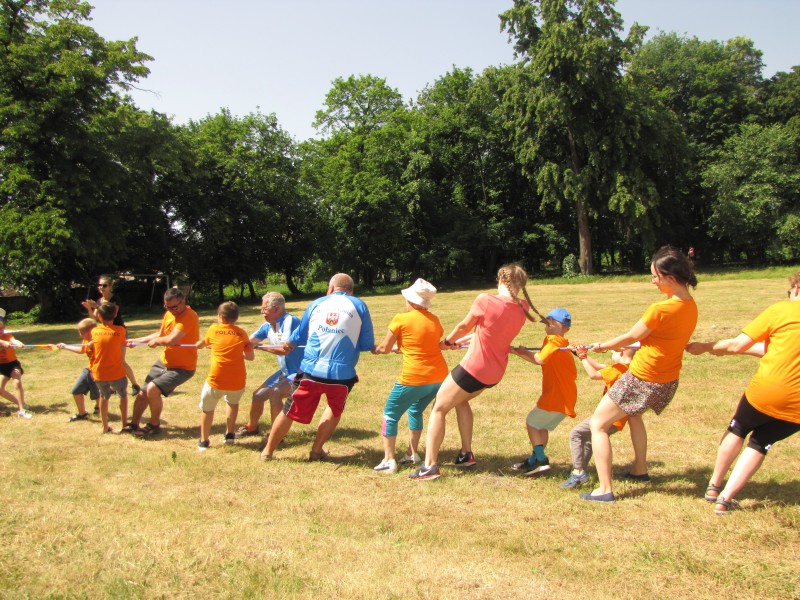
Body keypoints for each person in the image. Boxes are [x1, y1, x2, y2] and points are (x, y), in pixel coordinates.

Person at [583, 245, 698, 502]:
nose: (653, 281)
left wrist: (602, 346)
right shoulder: (691, 306)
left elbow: (631, 337)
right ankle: (640, 469)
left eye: (655, 277)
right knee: (634, 415)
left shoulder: (661, 309)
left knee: (597, 425)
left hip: (643, 379)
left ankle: (604, 489)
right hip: (667, 380)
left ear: (670, 278)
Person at [409, 263, 543, 481]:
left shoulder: (485, 300)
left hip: (474, 369)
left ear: (500, 279)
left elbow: (464, 326)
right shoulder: (523, 307)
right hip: (494, 373)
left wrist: (447, 342)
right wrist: (463, 340)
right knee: (460, 400)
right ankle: (466, 454)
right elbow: (489, 332)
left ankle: (429, 466)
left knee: (439, 408)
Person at [685, 271, 800, 515]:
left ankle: (714, 486)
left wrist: (705, 347)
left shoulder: (781, 310)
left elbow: (738, 344)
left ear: (797, 289)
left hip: (767, 390)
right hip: (796, 408)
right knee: (761, 442)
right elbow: (774, 349)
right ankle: (725, 500)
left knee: (738, 428)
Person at [260, 273, 375, 461]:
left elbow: (300, 333)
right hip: (342, 375)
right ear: (351, 291)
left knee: (289, 410)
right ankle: (316, 451)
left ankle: (267, 452)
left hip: (310, 371)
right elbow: (366, 343)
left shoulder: (316, 303)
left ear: (330, 289)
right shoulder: (360, 305)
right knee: (334, 409)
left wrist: (289, 343)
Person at [372, 279, 449, 474]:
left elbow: (385, 347)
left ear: (412, 301)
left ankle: (389, 459)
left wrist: (376, 349)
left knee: (390, 414)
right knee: (415, 410)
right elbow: (426, 342)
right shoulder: (434, 320)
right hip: (438, 377)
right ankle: (412, 453)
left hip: (413, 377)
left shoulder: (401, 319)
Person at [561, 345, 646, 489]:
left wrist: (582, 357)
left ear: (621, 352)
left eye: (613, 351)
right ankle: (580, 468)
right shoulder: (628, 368)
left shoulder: (616, 369)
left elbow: (594, 374)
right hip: (617, 419)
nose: (611, 353)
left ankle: (578, 472)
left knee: (576, 434)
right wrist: (580, 353)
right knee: (588, 438)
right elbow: (598, 366)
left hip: (609, 418)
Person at [509, 308, 577, 475]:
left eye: (551, 321)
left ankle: (541, 459)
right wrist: (517, 352)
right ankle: (533, 461)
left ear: (562, 327)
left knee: (532, 422)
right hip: (564, 395)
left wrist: (525, 352)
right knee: (541, 427)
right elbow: (539, 360)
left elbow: (539, 359)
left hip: (556, 395)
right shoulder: (560, 343)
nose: (547, 324)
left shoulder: (553, 340)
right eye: (547, 322)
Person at [125, 287, 199, 436]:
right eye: (167, 307)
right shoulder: (169, 314)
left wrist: (157, 341)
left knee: (152, 389)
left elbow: (172, 339)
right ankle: (133, 424)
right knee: (143, 393)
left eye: (174, 307)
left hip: (182, 367)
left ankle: (154, 426)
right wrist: (136, 340)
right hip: (164, 361)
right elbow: (161, 334)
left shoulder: (189, 316)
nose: (171, 310)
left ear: (183, 300)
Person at [235, 292, 303, 439]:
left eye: (265, 309)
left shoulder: (290, 321)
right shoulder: (267, 326)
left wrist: (260, 347)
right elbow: (248, 342)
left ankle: (276, 436)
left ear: (276, 308)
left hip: (301, 372)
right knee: (258, 395)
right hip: (285, 372)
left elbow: (285, 350)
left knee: (276, 393)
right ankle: (251, 428)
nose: (262, 312)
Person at [195, 302, 254, 451]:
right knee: (233, 403)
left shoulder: (213, 329)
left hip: (216, 380)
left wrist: (200, 344)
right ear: (236, 317)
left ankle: (204, 441)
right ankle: (229, 435)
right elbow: (250, 357)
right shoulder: (242, 333)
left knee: (207, 409)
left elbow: (201, 344)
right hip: (237, 380)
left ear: (220, 317)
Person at [81, 275, 141, 395]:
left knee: (120, 360)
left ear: (110, 287)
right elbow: (95, 317)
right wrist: (89, 308)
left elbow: (112, 312)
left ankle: (135, 385)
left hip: (118, 331)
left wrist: (96, 306)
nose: (101, 287)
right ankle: (112, 387)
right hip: (105, 332)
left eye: (104, 285)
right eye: (99, 285)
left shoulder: (115, 299)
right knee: (107, 360)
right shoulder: (99, 301)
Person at [91, 302, 129, 433]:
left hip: (99, 373)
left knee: (104, 396)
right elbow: (123, 342)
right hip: (116, 372)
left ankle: (105, 426)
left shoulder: (95, 331)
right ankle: (125, 424)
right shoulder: (121, 330)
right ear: (115, 315)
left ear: (99, 317)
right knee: (123, 395)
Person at [55, 318, 101, 422]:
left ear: (89, 331)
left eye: (81, 332)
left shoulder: (99, 339)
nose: (79, 334)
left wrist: (94, 345)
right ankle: (82, 414)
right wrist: (65, 346)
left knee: (98, 394)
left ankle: (99, 408)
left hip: (99, 371)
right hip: (89, 370)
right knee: (76, 391)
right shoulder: (86, 340)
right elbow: (81, 350)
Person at [0, 308, 32, 419]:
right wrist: (2, 343)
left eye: (2, 328)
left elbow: (13, 340)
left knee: (17, 382)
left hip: (13, 364)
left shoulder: (7, 335)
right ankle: (21, 403)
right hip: (1, 367)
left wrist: (18, 343)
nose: (1, 330)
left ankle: (21, 410)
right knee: (0, 390)